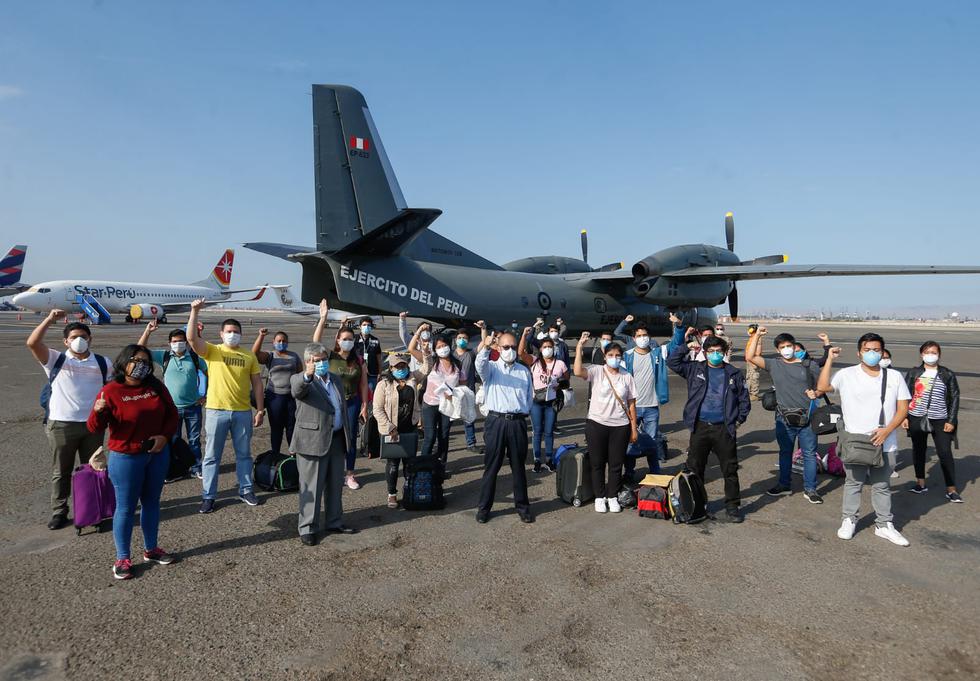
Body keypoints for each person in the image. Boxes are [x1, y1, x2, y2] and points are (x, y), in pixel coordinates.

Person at [87, 344, 178, 579]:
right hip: (126, 457)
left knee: (151, 503)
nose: (141, 366)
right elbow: (94, 427)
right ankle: (122, 558)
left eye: (146, 362)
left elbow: (172, 414)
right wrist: (98, 411)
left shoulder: (155, 386)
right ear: (124, 362)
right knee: (126, 508)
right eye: (136, 361)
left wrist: (164, 437)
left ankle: (151, 549)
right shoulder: (111, 391)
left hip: (157, 454)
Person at [817, 333, 911, 546]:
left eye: (876, 350)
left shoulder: (894, 376)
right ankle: (849, 519)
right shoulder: (847, 374)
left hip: (885, 442)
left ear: (883, 352)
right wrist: (829, 359)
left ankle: (884, 524)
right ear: (859, 353)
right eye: (867, 350)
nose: (872, 354)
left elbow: (903, 408)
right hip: (855, 442)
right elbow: (822, 387)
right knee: (853, 483)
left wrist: (887, 431)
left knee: (882, 485)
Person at [27, 310, 110, 530]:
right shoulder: (56, 359)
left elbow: (113, 388)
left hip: (93, 425)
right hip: (62, 425)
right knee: (61, 471)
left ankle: (93, 510)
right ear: (65, 341)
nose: (78, 340)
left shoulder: (102, 363)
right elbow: (33, 343)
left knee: (93, 469)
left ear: (90, 339)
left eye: (83, 336)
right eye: (73, 337)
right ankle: (59, 511)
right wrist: (49, 319)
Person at [187, 299, 265, 513]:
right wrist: (194, 311)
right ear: (221, 334)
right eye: (229, 331)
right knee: (212, 456)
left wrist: (260, 409)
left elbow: (257, 384)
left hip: (242, 412)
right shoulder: (213, 351)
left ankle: (246, 489)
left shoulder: (249, 355)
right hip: (216, 411)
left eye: (236, 331)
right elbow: (192, 339)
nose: (232, 334)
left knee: (244, 454)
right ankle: (208, 496)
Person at [668, 335, 750, 523]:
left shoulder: (734, 373)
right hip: (700, 427)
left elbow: (744, 400)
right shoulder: (695, 369)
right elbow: (672, 362)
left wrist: (738, 420)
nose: (715, 354)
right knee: (695, 468)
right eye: (711, 351)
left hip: (724, 429)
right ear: (705, 353)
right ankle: (698, 505)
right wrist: (686, 347)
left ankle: (732, 507)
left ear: (725, 352)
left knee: (729, 469)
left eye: (718, 351)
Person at [746, 328, 825, 504]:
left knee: (809, 454)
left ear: (794, 346)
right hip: (784, 417)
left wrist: (817, 393)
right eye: (782, 347)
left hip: (808, 417)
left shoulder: (809, 365)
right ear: (777, 350)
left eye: (789, 346)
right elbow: (750, 357)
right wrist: (756, 335)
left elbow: (822, 386)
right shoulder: (774, 365)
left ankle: (810, 489)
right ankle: (784, 484)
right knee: (785, 452)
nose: (787, 349)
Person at [289, 343, 357, 545]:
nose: (322, 363)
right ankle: (308, 527)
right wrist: (307, 375)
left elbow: (340, 407)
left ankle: (334, 521)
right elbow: (297, 390)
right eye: (317, 360)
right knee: (312, 487)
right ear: (308, 362)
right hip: (312, 441)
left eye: (324, 359)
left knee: (335, 485)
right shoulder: (301, 379)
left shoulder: (335, 379)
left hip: (336, 439)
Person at [474, 330, 535, 524]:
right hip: (496, 422)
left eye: (513, 347)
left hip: (517, 422)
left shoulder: (523, 371)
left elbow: (529, 397)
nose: (510, 350)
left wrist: (522, 413)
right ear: (499, 348)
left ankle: (523, 507)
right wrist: (485, 346)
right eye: (506, 347)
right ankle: (484, 508)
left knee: (518, 467)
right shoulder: (491, 368)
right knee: (491, 467)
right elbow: (479, 364)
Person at [573, 332, 638, 513]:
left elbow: (632, 404)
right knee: (597, 463)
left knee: (616, 464)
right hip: (597, 423)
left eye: (617, 355)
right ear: (605, 357)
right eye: (610, 355)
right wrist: (579, 347)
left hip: (620, 426)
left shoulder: (627, 376)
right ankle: (600, 496)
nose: (614, 358)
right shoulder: (597, 371)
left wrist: (633, 428)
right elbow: (577, 371)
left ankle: (612, 496)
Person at [617, 314, 685, 481]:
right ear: (634, 338)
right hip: (632, 407)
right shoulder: (627, 356)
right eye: (639, 336)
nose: (643, 338)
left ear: (649, 337)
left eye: (645, 335)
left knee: (652, 441)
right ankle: (629, 472)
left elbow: (676, 343)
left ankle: (654, 472)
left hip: (651, 406)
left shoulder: (658, 353)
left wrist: (679, 326)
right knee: (631, 441)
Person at [138, 321, 208, 478]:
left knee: (194, 439)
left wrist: (206, 395)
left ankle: (196, 466)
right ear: (169, 343)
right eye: (175, 341)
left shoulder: (195, 358)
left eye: (181, 341)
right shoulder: (164, 356)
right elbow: (139, 350)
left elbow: (209, 373)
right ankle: (174, 469)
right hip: (171, 409)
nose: (178, 344)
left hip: (193, 407)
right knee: (171, 440)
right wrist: (148, 331)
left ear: (186, 343)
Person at [903, 341, 962, 502]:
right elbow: (905, 396)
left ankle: (951, 489)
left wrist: (951, 420)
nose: (931, 355)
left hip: (940, 419)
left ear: (939, 355)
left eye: (934, 352)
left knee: (945, 453)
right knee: (918, 450)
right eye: (927, 352)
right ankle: (920, 483)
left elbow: (954, 397)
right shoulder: (914, 373)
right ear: (921, 354)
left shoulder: (947, 374)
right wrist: (904, 417)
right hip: (916, 417)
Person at [374, 351, 430, 508]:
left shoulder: (412, 378)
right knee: (393, 464)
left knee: (409, 462)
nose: (401, 369)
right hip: (392, 429)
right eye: (397, 366)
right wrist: (389, 427)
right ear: (391, 368)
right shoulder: (383, 384)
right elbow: (377, 409)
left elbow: (426, 368)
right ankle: (392, 494)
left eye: (403, 366)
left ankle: (409, 488)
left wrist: (426, 353)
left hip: (409, 427)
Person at [325, 325, 370, 489]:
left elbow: (363, 384)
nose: (347, 342)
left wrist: (364, 405)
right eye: (344, 339)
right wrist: (322, 319)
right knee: (331, 436)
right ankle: (330, 472)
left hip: (352, 402)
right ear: (338, 340)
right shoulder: (330, 356)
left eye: (350, 339)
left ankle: (349, 474)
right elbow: (315, 341)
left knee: (350, 439)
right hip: (332, 402)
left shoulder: (358, 360)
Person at [518, 327, 568, 473]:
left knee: (549, 431)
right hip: (536, 402)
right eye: (544, 347)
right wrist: (524, 335)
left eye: (550, 347)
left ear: (554, 348)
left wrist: (559, 385)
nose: (547, 349)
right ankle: (537, 460)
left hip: (551, 402)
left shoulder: (560, 364)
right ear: (540, 349)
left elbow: (567, 380)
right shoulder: (535, 361)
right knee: (537, 431)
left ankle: (549, 459)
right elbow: (521, 353)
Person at [410, 331, 461, 473]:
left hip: (448, 405)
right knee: (430, 436)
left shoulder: (457, 364)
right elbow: (411, 349)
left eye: (444, 345)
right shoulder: (431, 361)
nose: (442, 348)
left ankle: (441, 466)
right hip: (430, 404)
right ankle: (422, 467)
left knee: (444, 436)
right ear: (435, 349)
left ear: (449, 346)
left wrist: (455, 395)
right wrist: (418, 332)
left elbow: (462, 386)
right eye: (439, 347)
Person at [252, 328, 303, 456]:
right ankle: (275, 455)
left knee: (291, 427)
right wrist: (261, 336)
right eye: (279, 341)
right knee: (276, 428)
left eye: (284, 341)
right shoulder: (270, 355)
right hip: (274, 397)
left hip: (291, 397)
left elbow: (300, 375)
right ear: (273, 342)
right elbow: (255, 354)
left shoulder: (294, 356)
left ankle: (293, 455)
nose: (281, 343)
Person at [452, 328, 481, 452]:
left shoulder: (471, 353)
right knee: (447, 419)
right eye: (459, 338)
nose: (462, 340)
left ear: (468, 341)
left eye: (464, 338)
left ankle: (471, 443)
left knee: (469, 418)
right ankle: (442, 445)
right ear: (455, 340)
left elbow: (483, 344)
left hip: (468, 391)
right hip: (452, 392)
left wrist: (483, 329)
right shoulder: (450, 355)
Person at [744, 324, 762, 399]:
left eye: (749, 329)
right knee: (749, 377)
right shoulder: (752, 338)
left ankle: (754, 394)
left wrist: (754, 361)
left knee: (754, 377)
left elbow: (758, 352)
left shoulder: (757, 339)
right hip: (749, 360)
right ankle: (749, 392)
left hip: (753, 361)